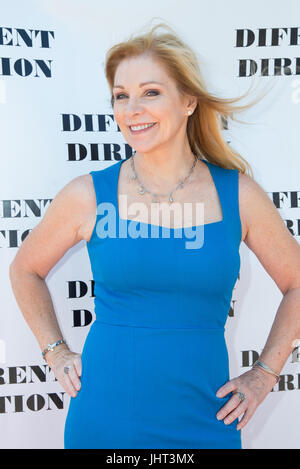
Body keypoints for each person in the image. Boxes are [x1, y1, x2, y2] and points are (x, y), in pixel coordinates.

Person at [9, 22, 300, 449]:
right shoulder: (88, 195)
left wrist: (265, 373)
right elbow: (24, 270)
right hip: (104, 419)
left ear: (188, 101)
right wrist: (55, 350)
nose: (131, 109)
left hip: (206, 418)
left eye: (150, 92)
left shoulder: (238, 194)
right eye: (121, 96)